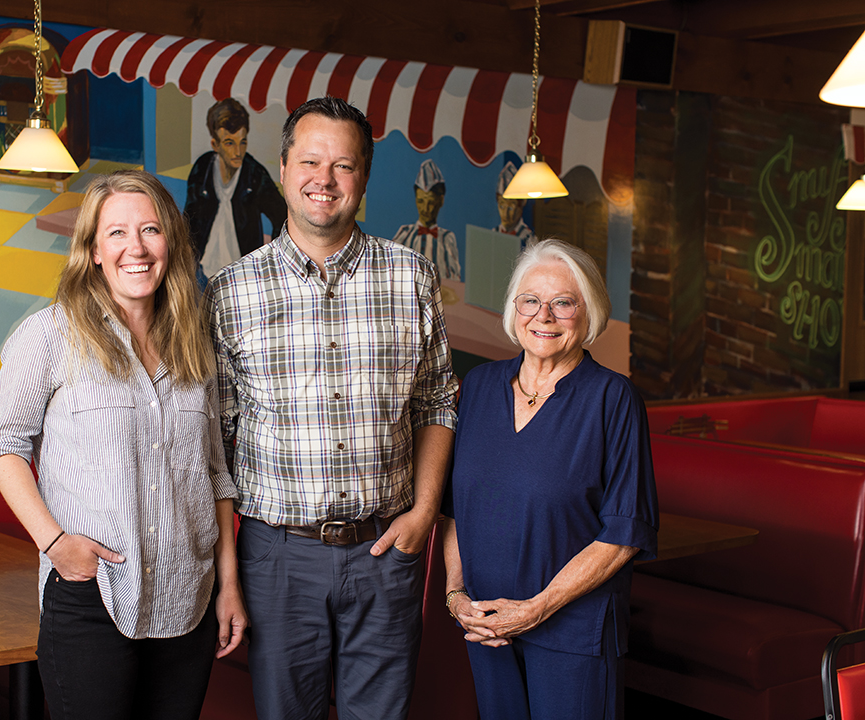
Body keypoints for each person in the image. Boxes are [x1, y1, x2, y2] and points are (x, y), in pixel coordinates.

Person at [204, 97, 459, 720]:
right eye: (311, 161)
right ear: (285, 168)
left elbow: (437, 401)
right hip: (277, 558)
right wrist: (229, 578)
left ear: (364, 178)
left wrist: (424, 514)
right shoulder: (231, 292)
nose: (325, 179)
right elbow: (215, 443)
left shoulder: (412, 278)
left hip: (387, 552)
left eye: (343, 165)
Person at [0, 170, 247, 720]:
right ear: (93, 249)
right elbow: (3, 447)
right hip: (93, 597)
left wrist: (228, 585)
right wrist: (55, 544)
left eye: (150, 230)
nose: (135, 249)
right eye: (116, 233)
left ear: (172, 242)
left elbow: (216, 473)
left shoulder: (195, 347)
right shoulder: (48, 336)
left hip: (188, 599)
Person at [442, 238, 658, 720]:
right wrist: (457, 595)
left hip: (573, 632)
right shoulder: (477, 387)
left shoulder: (613, 399)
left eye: (563, 303)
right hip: (486, 627)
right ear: (513, 308)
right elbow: (456, 509)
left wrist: (535, 609)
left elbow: (622, 536)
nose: (544, 316)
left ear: (589, 313)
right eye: (531, 300)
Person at [184, 97, 287, 281]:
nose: (238, 152)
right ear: (215, 144)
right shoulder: (202, 169)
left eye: (243, 142)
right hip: (202, 270)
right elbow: (188, 219)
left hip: (242, 273)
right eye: (230, 143)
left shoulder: (254, 174)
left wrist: (269, 261)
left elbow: (282, 216)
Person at [392, 157, 462, 280]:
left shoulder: (446, 239)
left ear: (440, 201)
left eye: (431, 202)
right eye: (420, 201)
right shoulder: (405, 233)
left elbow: (454, 278)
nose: (425, 209)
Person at [496, 160, 535, 244]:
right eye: (502, 206)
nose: (505, 214)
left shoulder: (528, 238)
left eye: (510, 208)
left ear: (522, 204)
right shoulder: (493, 233)